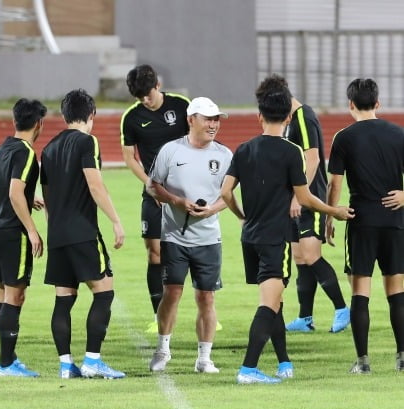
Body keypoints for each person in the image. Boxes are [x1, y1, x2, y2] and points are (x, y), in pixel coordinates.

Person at [220, 74, 354, 384]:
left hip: (249, 237)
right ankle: (248, 369)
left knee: (274, 300)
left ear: (259, 115)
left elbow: (226, 192)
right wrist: (334, 210)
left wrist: (241, 216)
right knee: (269, 304)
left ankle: (283, 362)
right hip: (275, 238)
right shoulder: (291, 152)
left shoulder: (243, 149)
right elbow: (305, 196)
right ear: (289, 117)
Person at [41, 89, 125, 379]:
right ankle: (92, 360)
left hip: (57, 233)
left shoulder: (49, 147)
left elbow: (47, 193)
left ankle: (66, 365)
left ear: (64, 116)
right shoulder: (88, 141)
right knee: (104, 292)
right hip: (82, 231)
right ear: (92, 115)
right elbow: (95, 184)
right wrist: (115, 220)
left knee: (63, 298)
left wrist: (54, 224)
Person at [147, 97, 232, 373]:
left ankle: (204, 359)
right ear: (191, 119)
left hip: (208, 238)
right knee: (172, 292)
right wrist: (177, 201)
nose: (213, 124)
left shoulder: (224, 155)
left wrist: (212, 210)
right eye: (208, 119)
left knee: (206, 297)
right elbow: (153, 186)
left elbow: (228, 196)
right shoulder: (171, 151)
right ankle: (162, 351)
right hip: (174, 236)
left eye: (216, 119)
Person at [326, 78, 404, 374]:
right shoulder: (398, 133)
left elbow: (335, 183)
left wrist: (331, 215)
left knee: (361, 292)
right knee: (396, 291)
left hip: (361, 220)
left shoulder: (343, 138)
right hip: (396, 221)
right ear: (378, 103)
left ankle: (363, 362)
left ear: (350, 104)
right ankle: (402, 358)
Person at [121, 65, 190, 333]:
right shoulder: (132, 117)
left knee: (196, 251)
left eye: (148, 95)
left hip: (186, 192)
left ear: (158, 86)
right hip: (153, 194)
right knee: (154, 253)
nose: (145, 101)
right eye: (140, 98)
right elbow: (129, 157)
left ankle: (208, 308)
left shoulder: (182, 106)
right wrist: (151, 184)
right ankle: (159, 319)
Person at [0, 98, 47, 377]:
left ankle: (7, 358)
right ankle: (7, 364)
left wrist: (26, 196)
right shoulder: (26, 152)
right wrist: (32, 230)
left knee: (2, 294)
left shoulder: (1, 149)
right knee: (15, 295)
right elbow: (12, 192)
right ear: (38, 124)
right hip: (13, 233)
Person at [283, 90, 350, 333]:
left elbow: (313, 161)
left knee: (311, 255)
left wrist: (298, 197)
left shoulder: (303, 115)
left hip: (308, 198)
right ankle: (305, 318)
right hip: (298, 198)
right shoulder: (295, 119)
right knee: (301, 258)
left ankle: (342, 308)